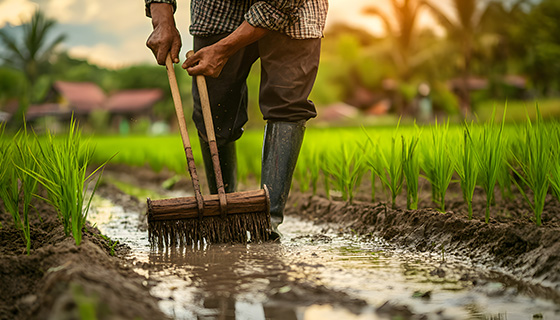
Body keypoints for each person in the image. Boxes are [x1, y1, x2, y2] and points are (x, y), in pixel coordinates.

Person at [145, 0, 328, 239]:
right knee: (213, 109)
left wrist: (223, 49)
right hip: (217, 10)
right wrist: (162, 17)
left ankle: (268, 221)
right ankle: (223, 214)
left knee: (287, 105)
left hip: (295, 12)